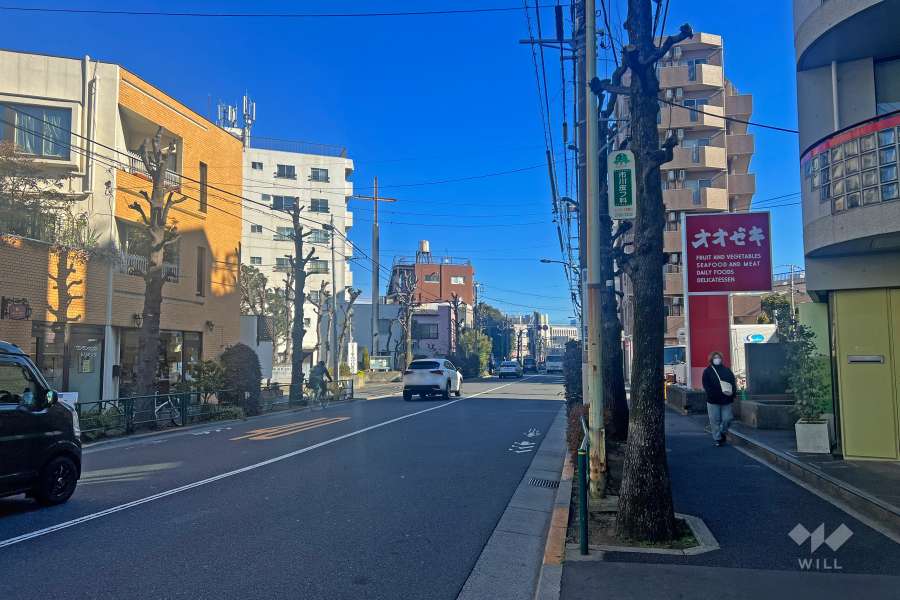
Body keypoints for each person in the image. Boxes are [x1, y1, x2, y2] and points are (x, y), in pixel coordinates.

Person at [701, 351, 736, 447]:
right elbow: (706, 385)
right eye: (715, 357)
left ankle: (722, 432)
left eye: (718, 357)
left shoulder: (727, 370)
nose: (717, 359)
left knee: (727, 419)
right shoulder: (707, 371)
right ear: (711, 359)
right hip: (713, 400)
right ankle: (718, 439)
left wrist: (733, 395)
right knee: (714, 421)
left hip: (726, 399)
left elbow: (733, 383)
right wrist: (712, 394)